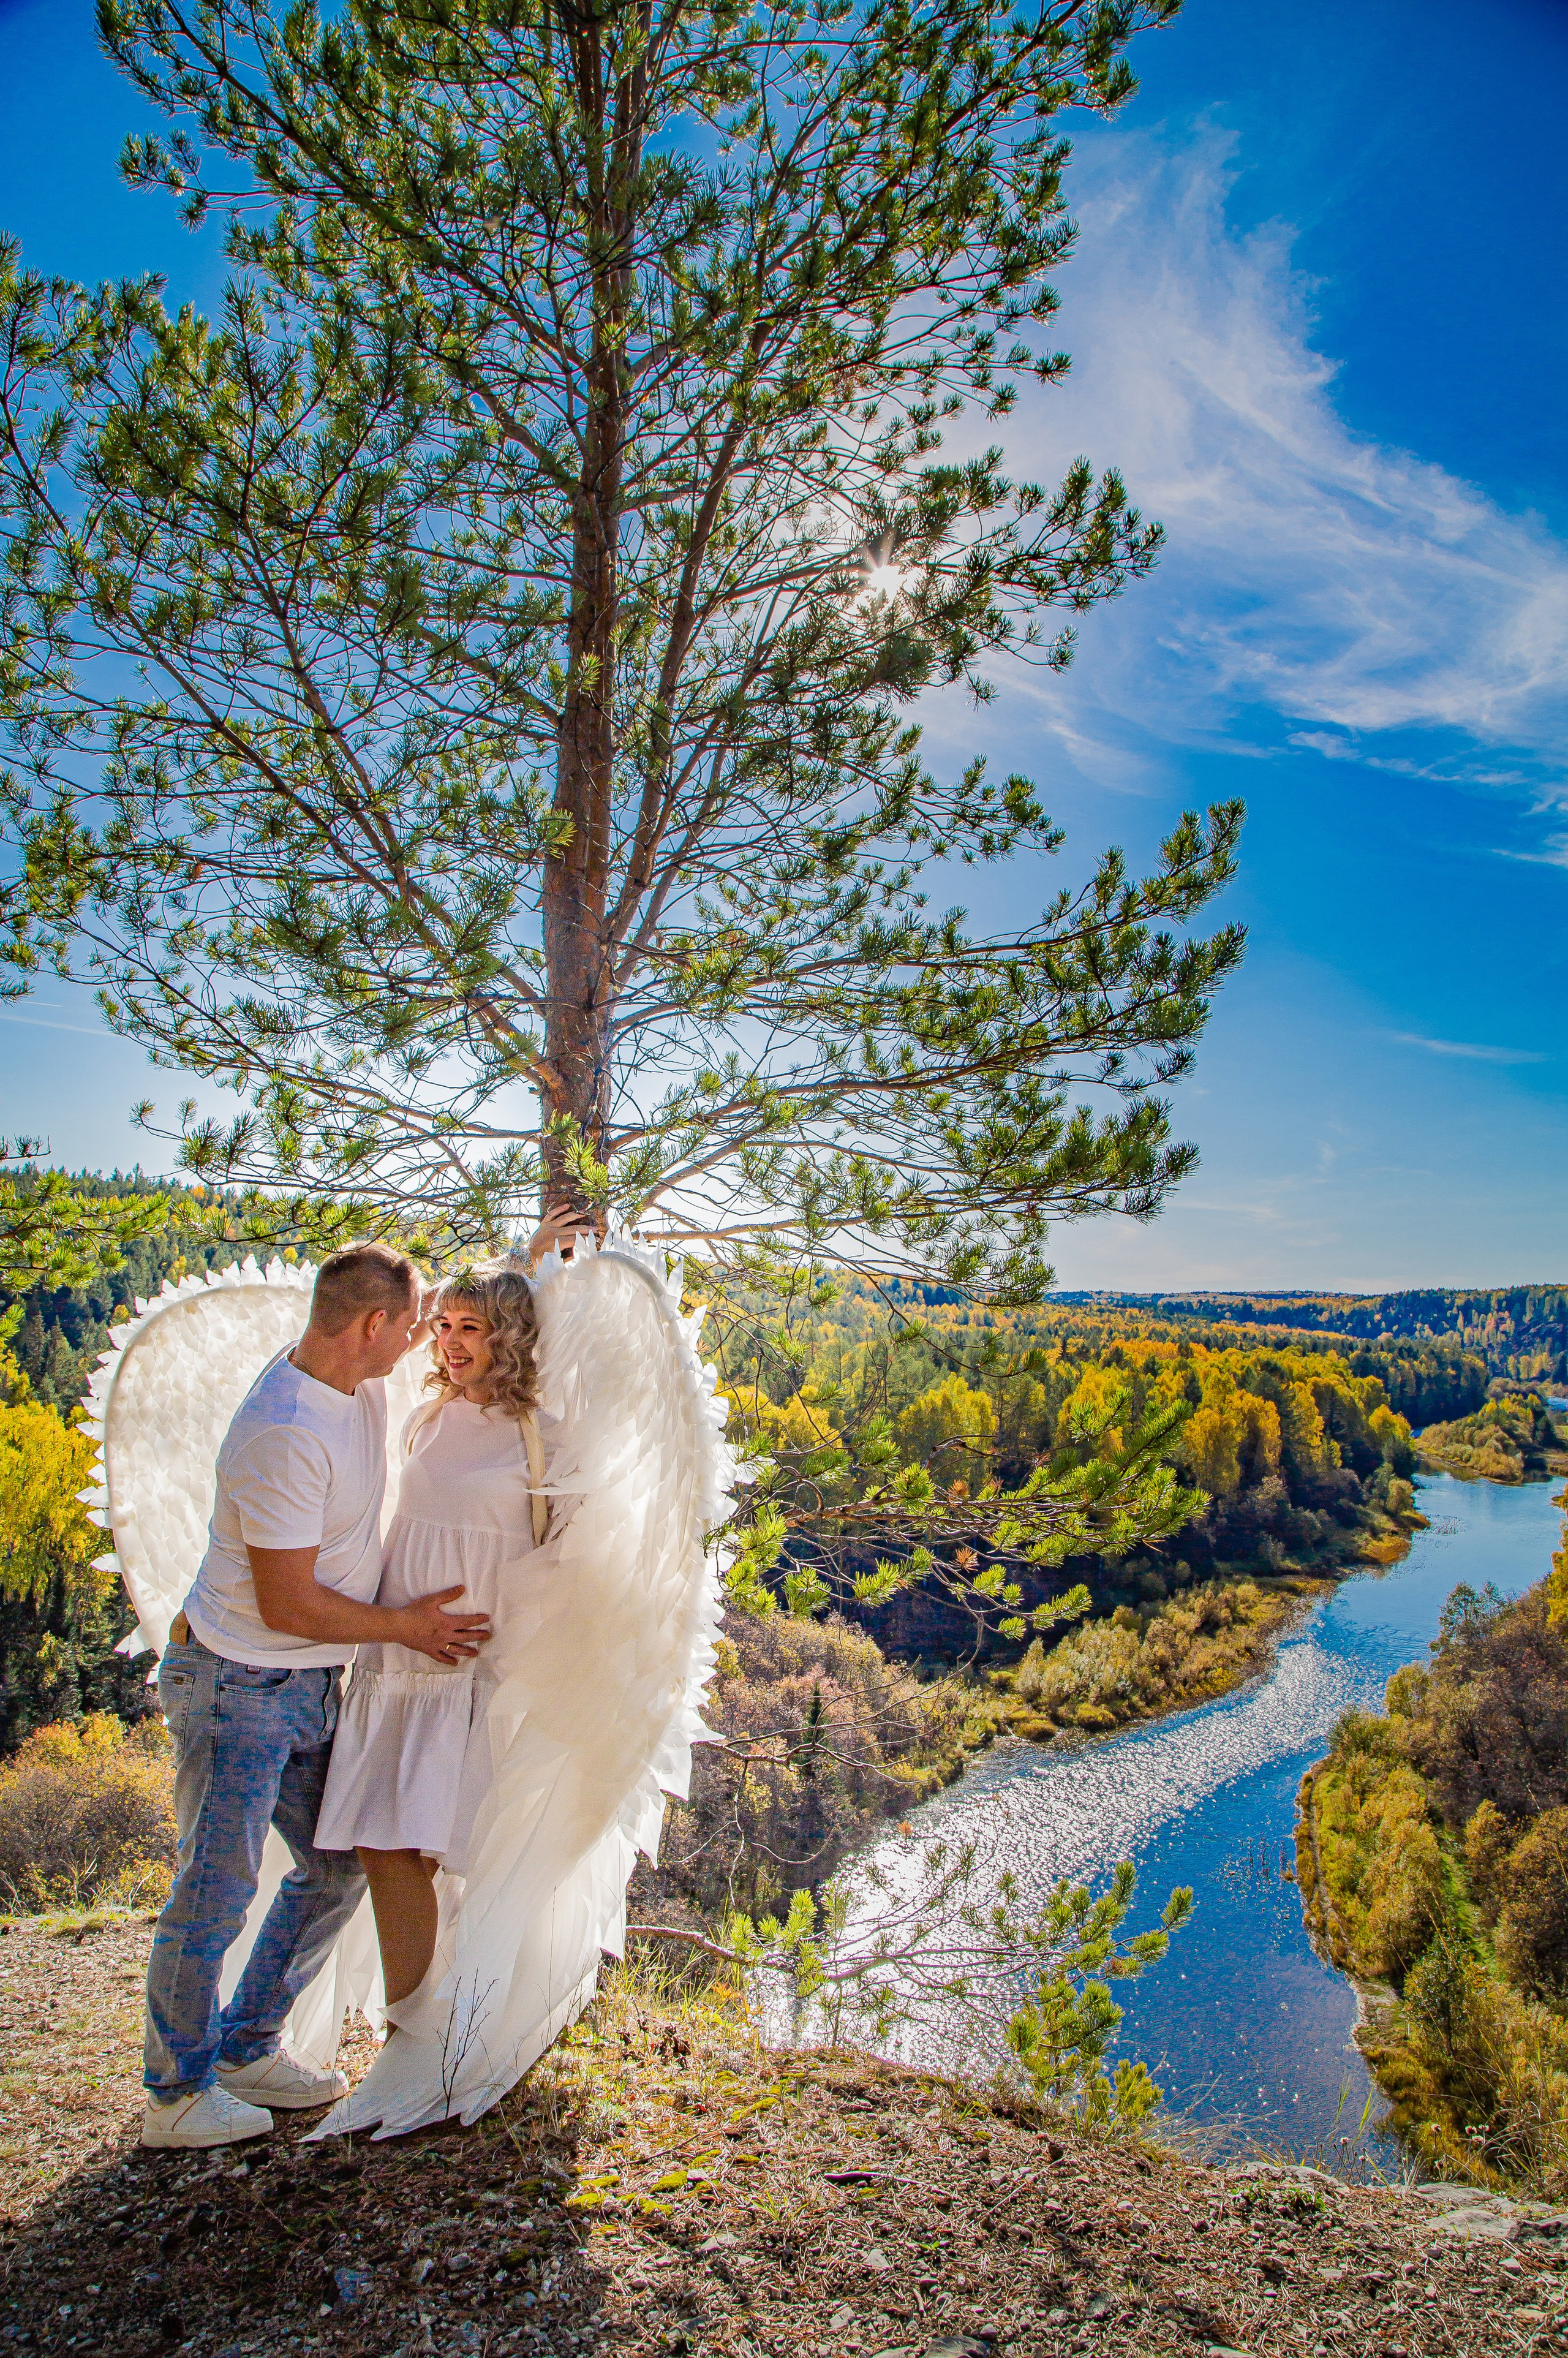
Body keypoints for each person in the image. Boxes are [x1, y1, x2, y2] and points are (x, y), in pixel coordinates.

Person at [141, 1241, 493, 2151]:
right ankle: (175, 2095)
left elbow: (445, 1320)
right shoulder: (287, 1431)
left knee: (336, 1862)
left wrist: (532, 1270)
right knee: (215, 1888)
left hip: (303, 1681)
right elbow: (288, 1605)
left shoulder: (354, 1377)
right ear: (374, 1326)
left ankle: (247, 2048)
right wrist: (408, 1627)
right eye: (415, 1324)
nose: (427, 1339)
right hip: (236, 1682)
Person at [313, 1258, 557, 2014]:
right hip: (396, 1658)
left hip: (472, 1667)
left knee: (435, 1851)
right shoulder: (425, 1417)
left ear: (509, 1335)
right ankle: (411, 2029)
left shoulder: (541, 1437)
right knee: (385, 1845)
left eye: (471, 1328)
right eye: (444, 1325)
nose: (451, 1342)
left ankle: (440, 2027)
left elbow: (569, 1562)